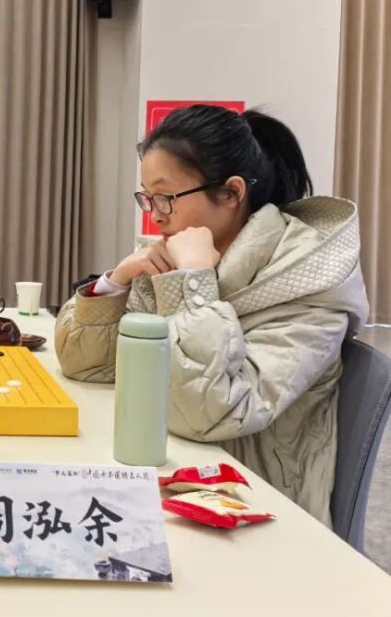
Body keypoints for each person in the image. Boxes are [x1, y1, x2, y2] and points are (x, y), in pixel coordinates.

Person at [55, 105, 368, 524]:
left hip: (257, 504)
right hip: (180, 477)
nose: (155, 213)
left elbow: (208, 414)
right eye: (147, 197)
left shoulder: (309, 281)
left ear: (232, 193)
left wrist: (190, 286)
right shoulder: (184, 256)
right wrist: (115, 284)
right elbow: (88, 367)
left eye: (166, 197)